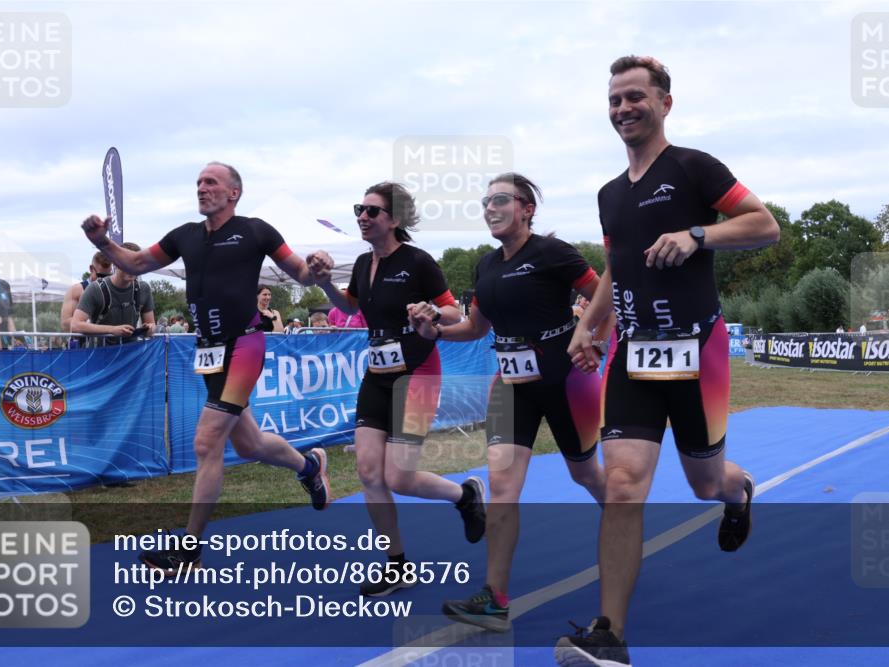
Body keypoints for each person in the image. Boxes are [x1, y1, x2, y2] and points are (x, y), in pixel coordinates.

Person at [555, 56, 780, 666]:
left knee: (705, 482)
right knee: (623, 485)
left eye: (635, 97)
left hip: (696, 350)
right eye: (614, 100)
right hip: (632, 354)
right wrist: (588, 324)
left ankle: (739, 493)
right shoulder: (608, 194)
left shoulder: (693, 167)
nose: (623, 108)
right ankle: (609, 637)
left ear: (664, 103)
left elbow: (766, 225)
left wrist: (698, 235)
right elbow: (617, 267)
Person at [80, 161, 334, 572]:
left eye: (211, 182)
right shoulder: (185, 235)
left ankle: (190, 550)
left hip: (245, 345)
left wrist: (317, 270)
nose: (202, 188)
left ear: (234, 192)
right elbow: (137, 263)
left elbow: (301, 273)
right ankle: (309, 466)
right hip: (210, 350)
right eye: (199, 182)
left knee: (206, 442)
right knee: (248, 444)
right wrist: (103, 241)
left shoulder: (255, 230)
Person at [407, 173, 610, 633]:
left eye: (500, 200)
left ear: (526, 208)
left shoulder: (553, 253)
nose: (489, 208)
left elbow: (604, 297)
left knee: (584, 472)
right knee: (502, 485)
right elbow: (477, 328)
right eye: (485, 202)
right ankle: (494, 598)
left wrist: (593, 339)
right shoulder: (486, 266)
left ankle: (622, 520)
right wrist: (433, 331)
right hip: (511, 384)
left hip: (565, 380)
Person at [314, 181, 486, 597]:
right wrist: (324, 284)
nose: (362, 217)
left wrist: (430, 310)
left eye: (371, 211)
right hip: (377, 375)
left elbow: (450, 309)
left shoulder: (418, 261)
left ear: (394, 219)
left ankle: (463, 494)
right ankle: (396, 565)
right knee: (369, 472)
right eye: (360, 209)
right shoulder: (361, 262)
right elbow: (352, 306)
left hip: (419, 374)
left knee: (400, 476)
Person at [70, 242, 157, 345]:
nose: (131, 268)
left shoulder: (143, 289)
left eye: (136, 264)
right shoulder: (95, 289)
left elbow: (151, 325)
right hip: (102, 356)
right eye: (127, 263)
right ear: (115, 262)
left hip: (131, 355)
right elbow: (75, 325)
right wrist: (112, 330)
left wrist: (150, 328)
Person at [61, 251, 113, 333]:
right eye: (100, 275)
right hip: (85, 344)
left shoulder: (113, 289)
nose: (103, 279)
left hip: (109, 343)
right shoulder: (77, 290)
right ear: (91, 269)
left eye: (108, 276)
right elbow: (65, 323)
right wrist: (88, 323)